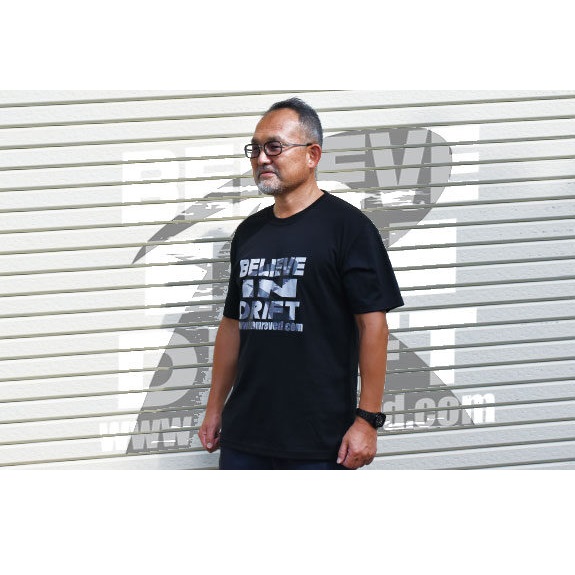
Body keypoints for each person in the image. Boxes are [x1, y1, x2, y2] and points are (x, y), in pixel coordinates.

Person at [199, 98, 404, 469]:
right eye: (255, 149)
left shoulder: (349, 229)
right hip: (244, 435)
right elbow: (232, 325)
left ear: (312, 155)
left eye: (274, 147)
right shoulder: (249, 233)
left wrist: (367, 420)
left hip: (319, 441)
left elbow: (373, 326)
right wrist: (215, 408)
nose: (262, 158)